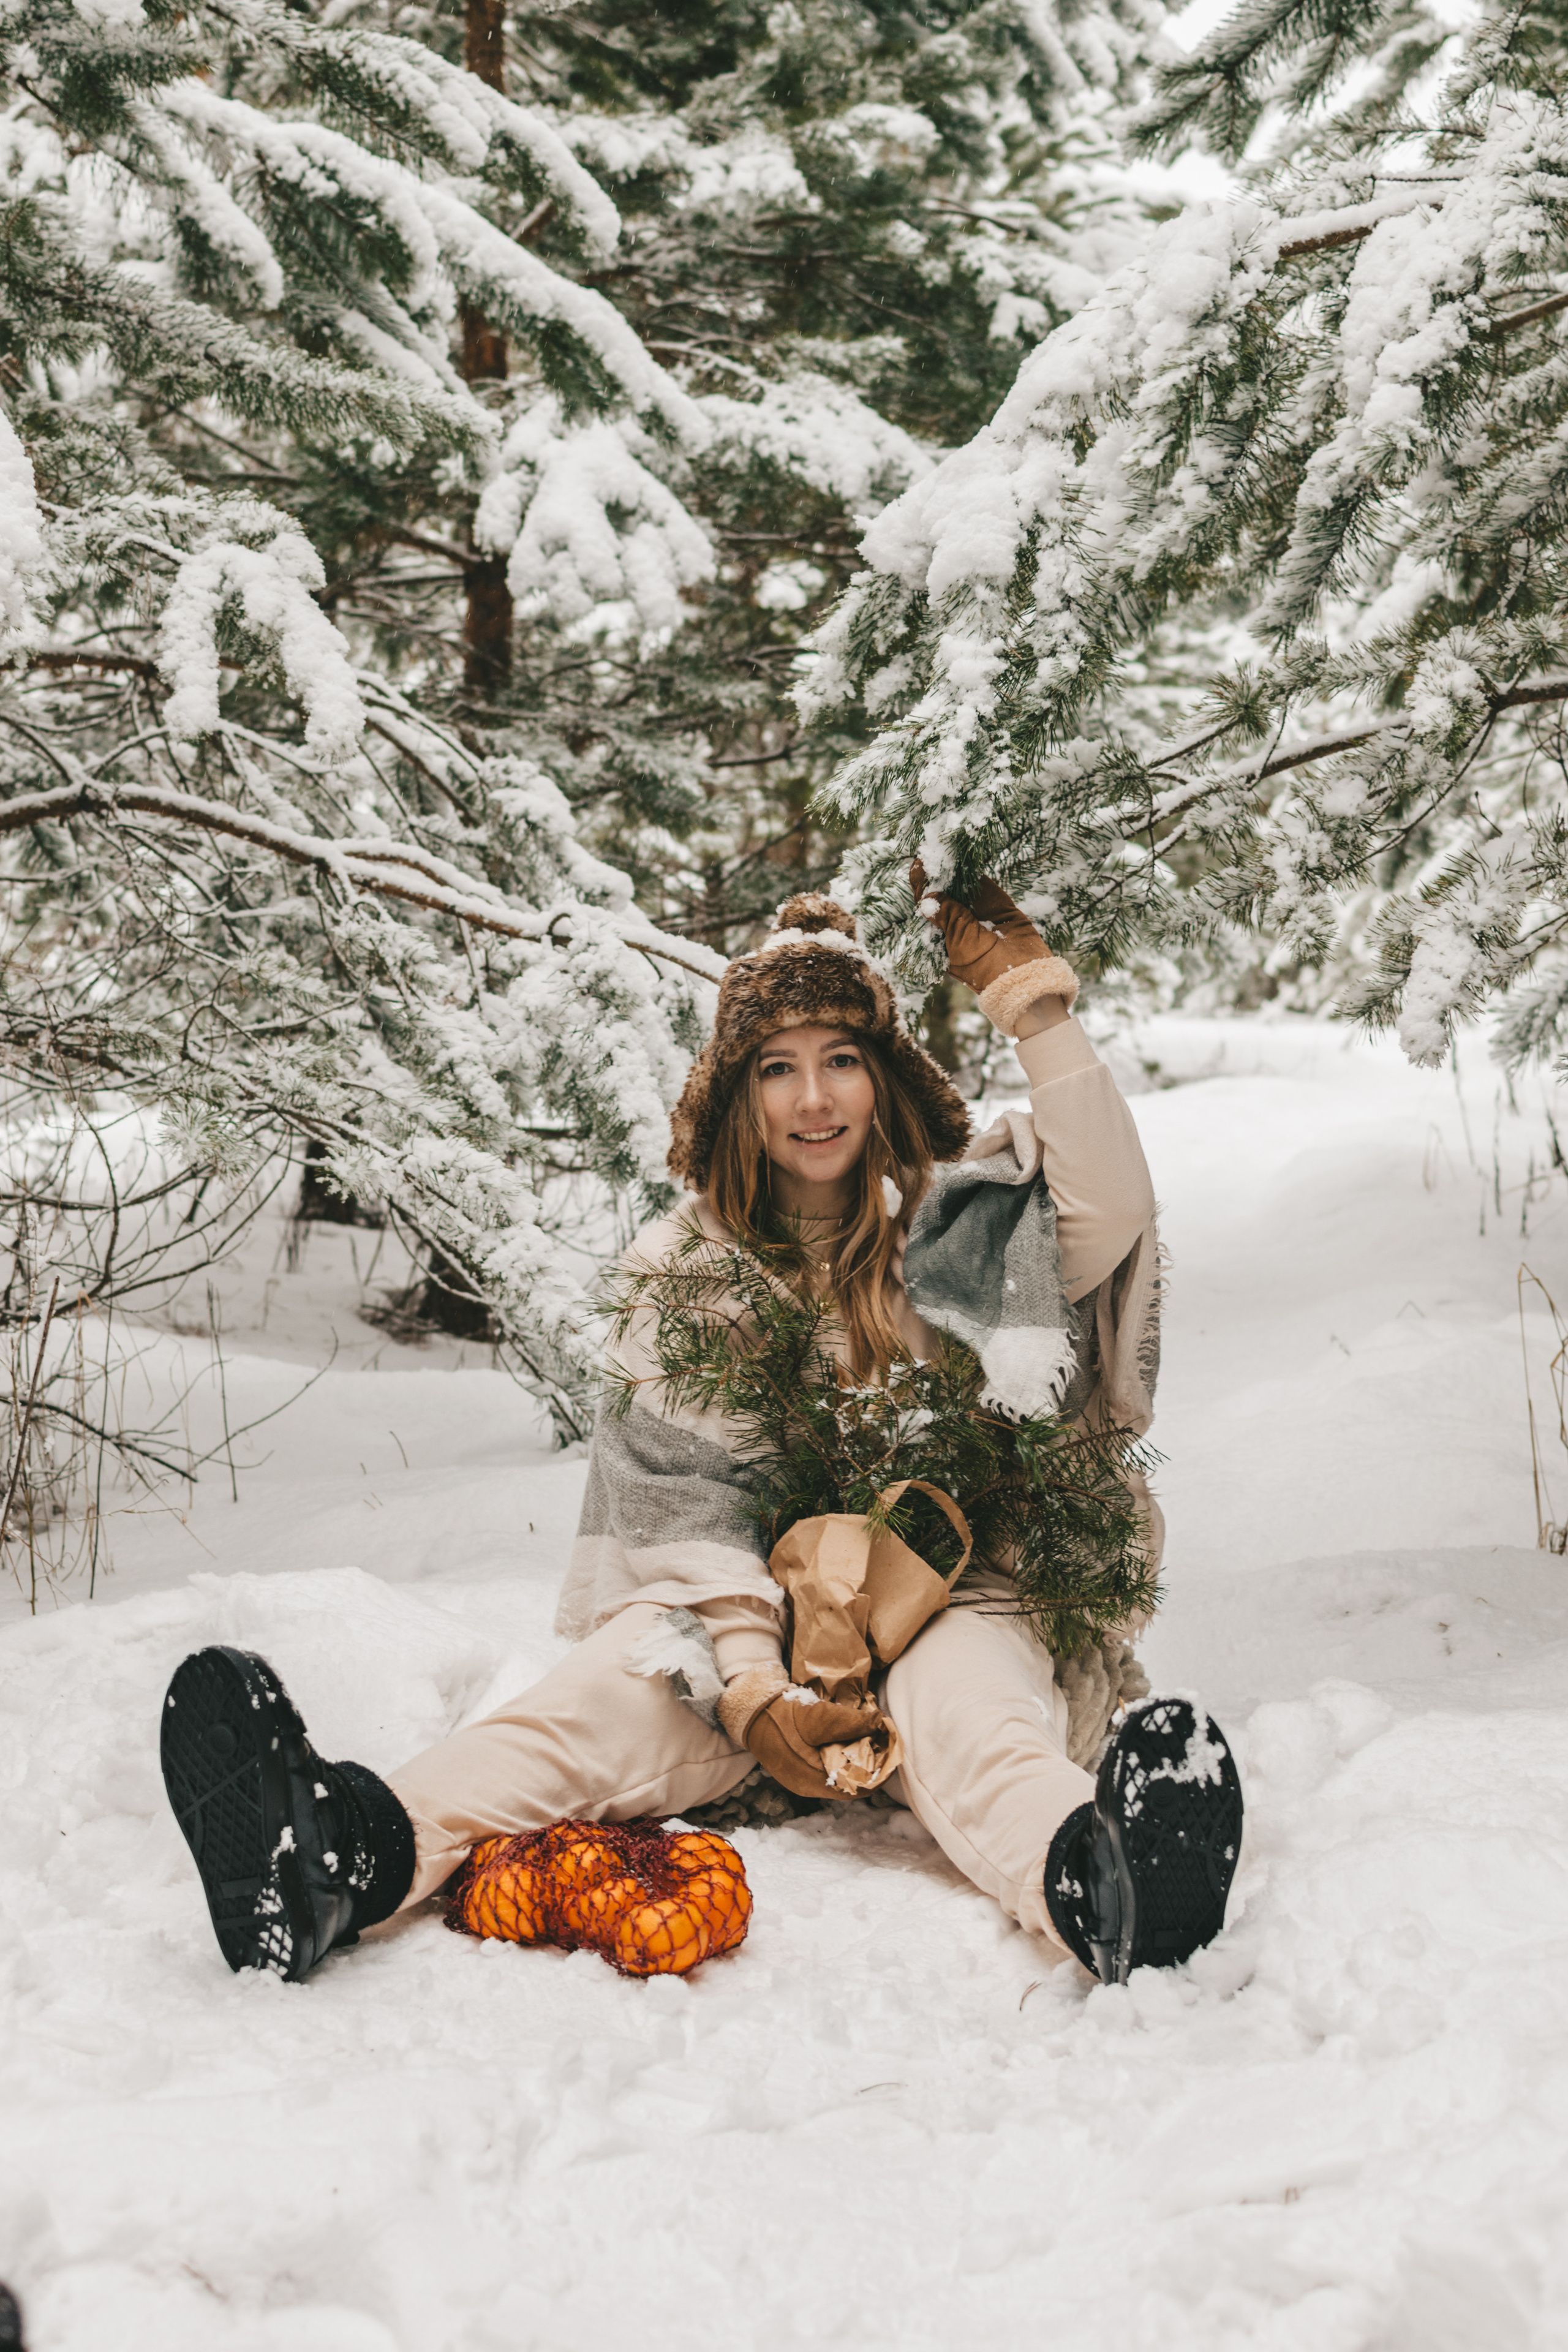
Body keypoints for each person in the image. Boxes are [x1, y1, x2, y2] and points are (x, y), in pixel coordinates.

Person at [160, 883, 1243, 1989]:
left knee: (974, 1722)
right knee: (586, 1710)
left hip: (957, 1589)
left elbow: (1110, 1204)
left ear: (884, 1077)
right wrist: (753, 1694)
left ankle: (1111, 1881)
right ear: (738, 1094)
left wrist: (1034, 1008)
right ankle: (343, 1855)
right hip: (746, 1622)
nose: (813, 1099)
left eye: (841, 1060)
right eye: (778, 1067)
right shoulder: (683, 1273)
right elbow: (687, 1504)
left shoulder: (956, 1227)